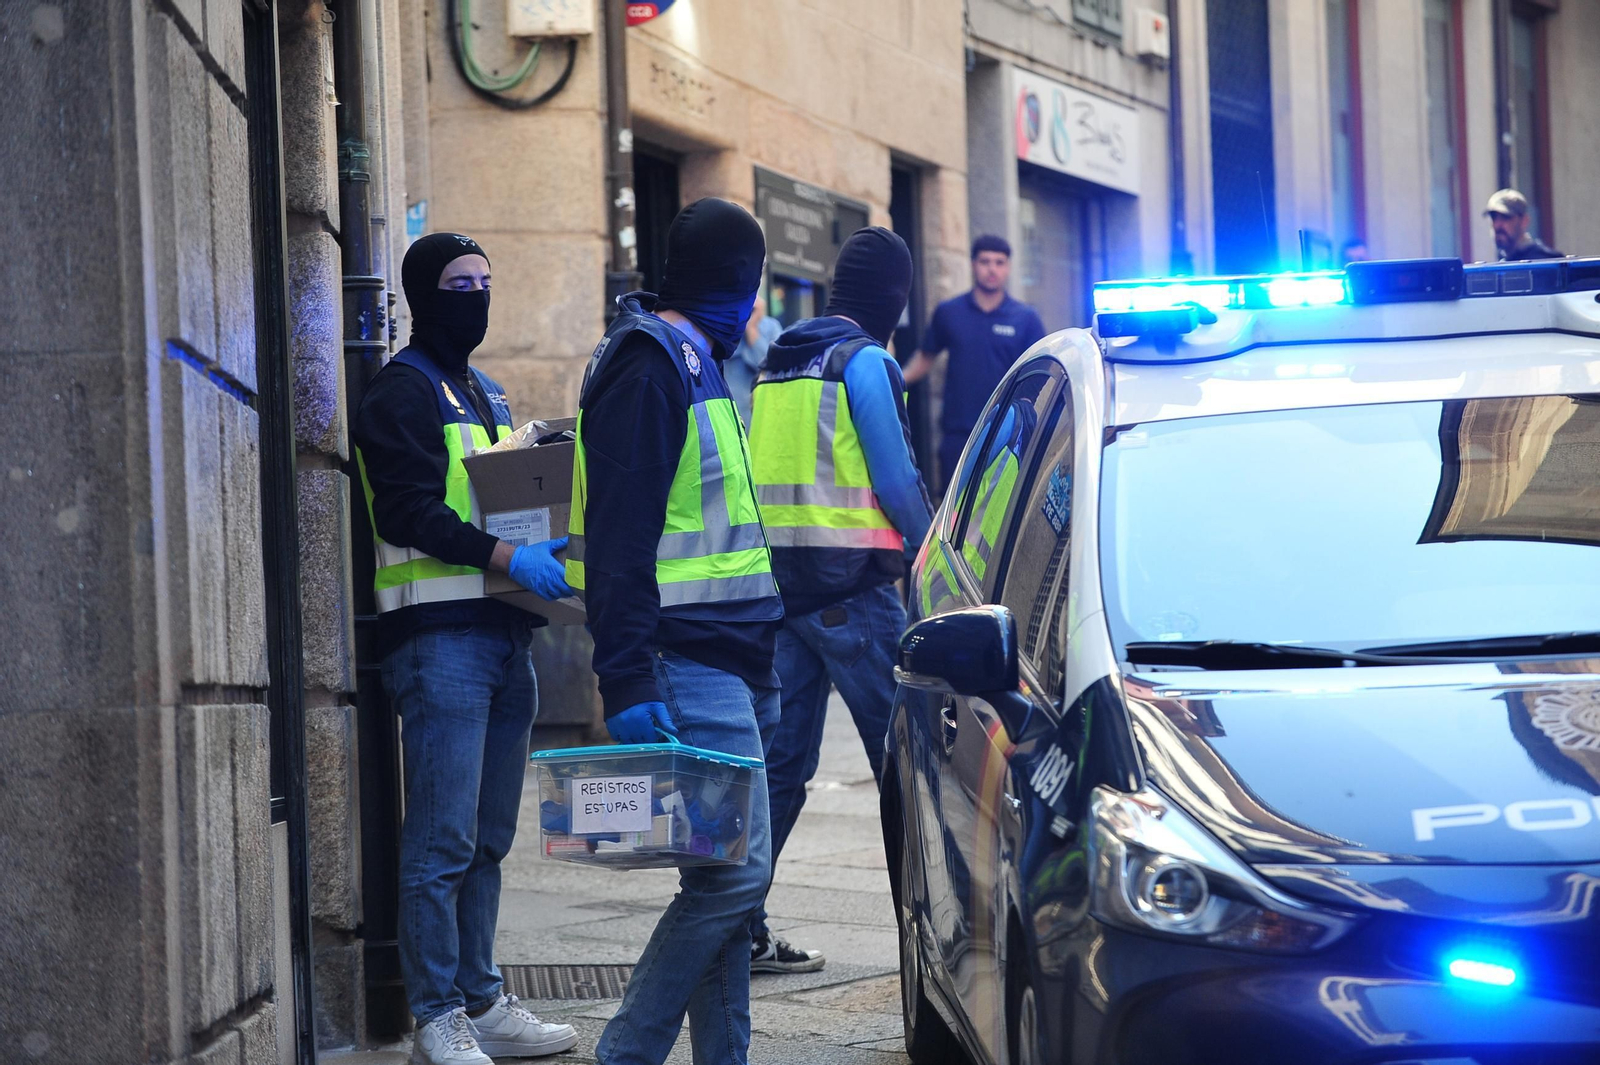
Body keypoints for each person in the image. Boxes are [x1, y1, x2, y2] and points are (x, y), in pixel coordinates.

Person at [565, 198, 784, 1065]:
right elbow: (619, 535)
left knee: (718, 878)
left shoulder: (695, 362)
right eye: (756, 285)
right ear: (738, 283)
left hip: (727, 657)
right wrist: (625, 677)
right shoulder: (652, 364)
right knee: (738, 879)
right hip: (687, 662)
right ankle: (626, 1052)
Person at [353, 233, 579, 1065]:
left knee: (487, 837)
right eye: (458, 283)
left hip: (500, 635)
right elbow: (405, 511)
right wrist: (506, 557)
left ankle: (481, 1000)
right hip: (438, 638)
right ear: (423, 294)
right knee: (442, 840)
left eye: (485, 280)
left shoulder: (480, 391)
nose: (476, 295)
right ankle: (436, 1014)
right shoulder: (401, 393)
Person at [745, 227, 934, 973]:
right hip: (853, 594)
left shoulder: (779, 360)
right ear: (895, 297)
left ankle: (741, 925)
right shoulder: (867, 362)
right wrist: (934, 552)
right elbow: (894, 480)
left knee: (780, 768)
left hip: (785, 594)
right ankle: (929, 937)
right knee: (911, 766)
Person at [903, 234, 1046, 491]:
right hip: (959, 434)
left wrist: (1023, 409)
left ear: (1008, 267)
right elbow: (925, 358)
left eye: (999, 262)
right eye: (985, 261)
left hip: (1006, 432)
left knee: (999, 520)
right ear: (973, 264)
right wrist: (894, 381)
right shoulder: (949, 312)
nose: (992, 269)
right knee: (954, 516)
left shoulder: (1026, 318)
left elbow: (1040, 370)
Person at [723, 295, 782, 426]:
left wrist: (751, 328)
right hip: (730, 408)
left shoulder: (770, 327)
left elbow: (770, 365)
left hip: (760, 410)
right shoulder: (726, 324)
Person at [1485, 189, 1564, 261]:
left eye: (1506, 217)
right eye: (1494, 217)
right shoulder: (1502, 263)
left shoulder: (1547, 261)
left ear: (1524, 221)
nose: (1497, 224)